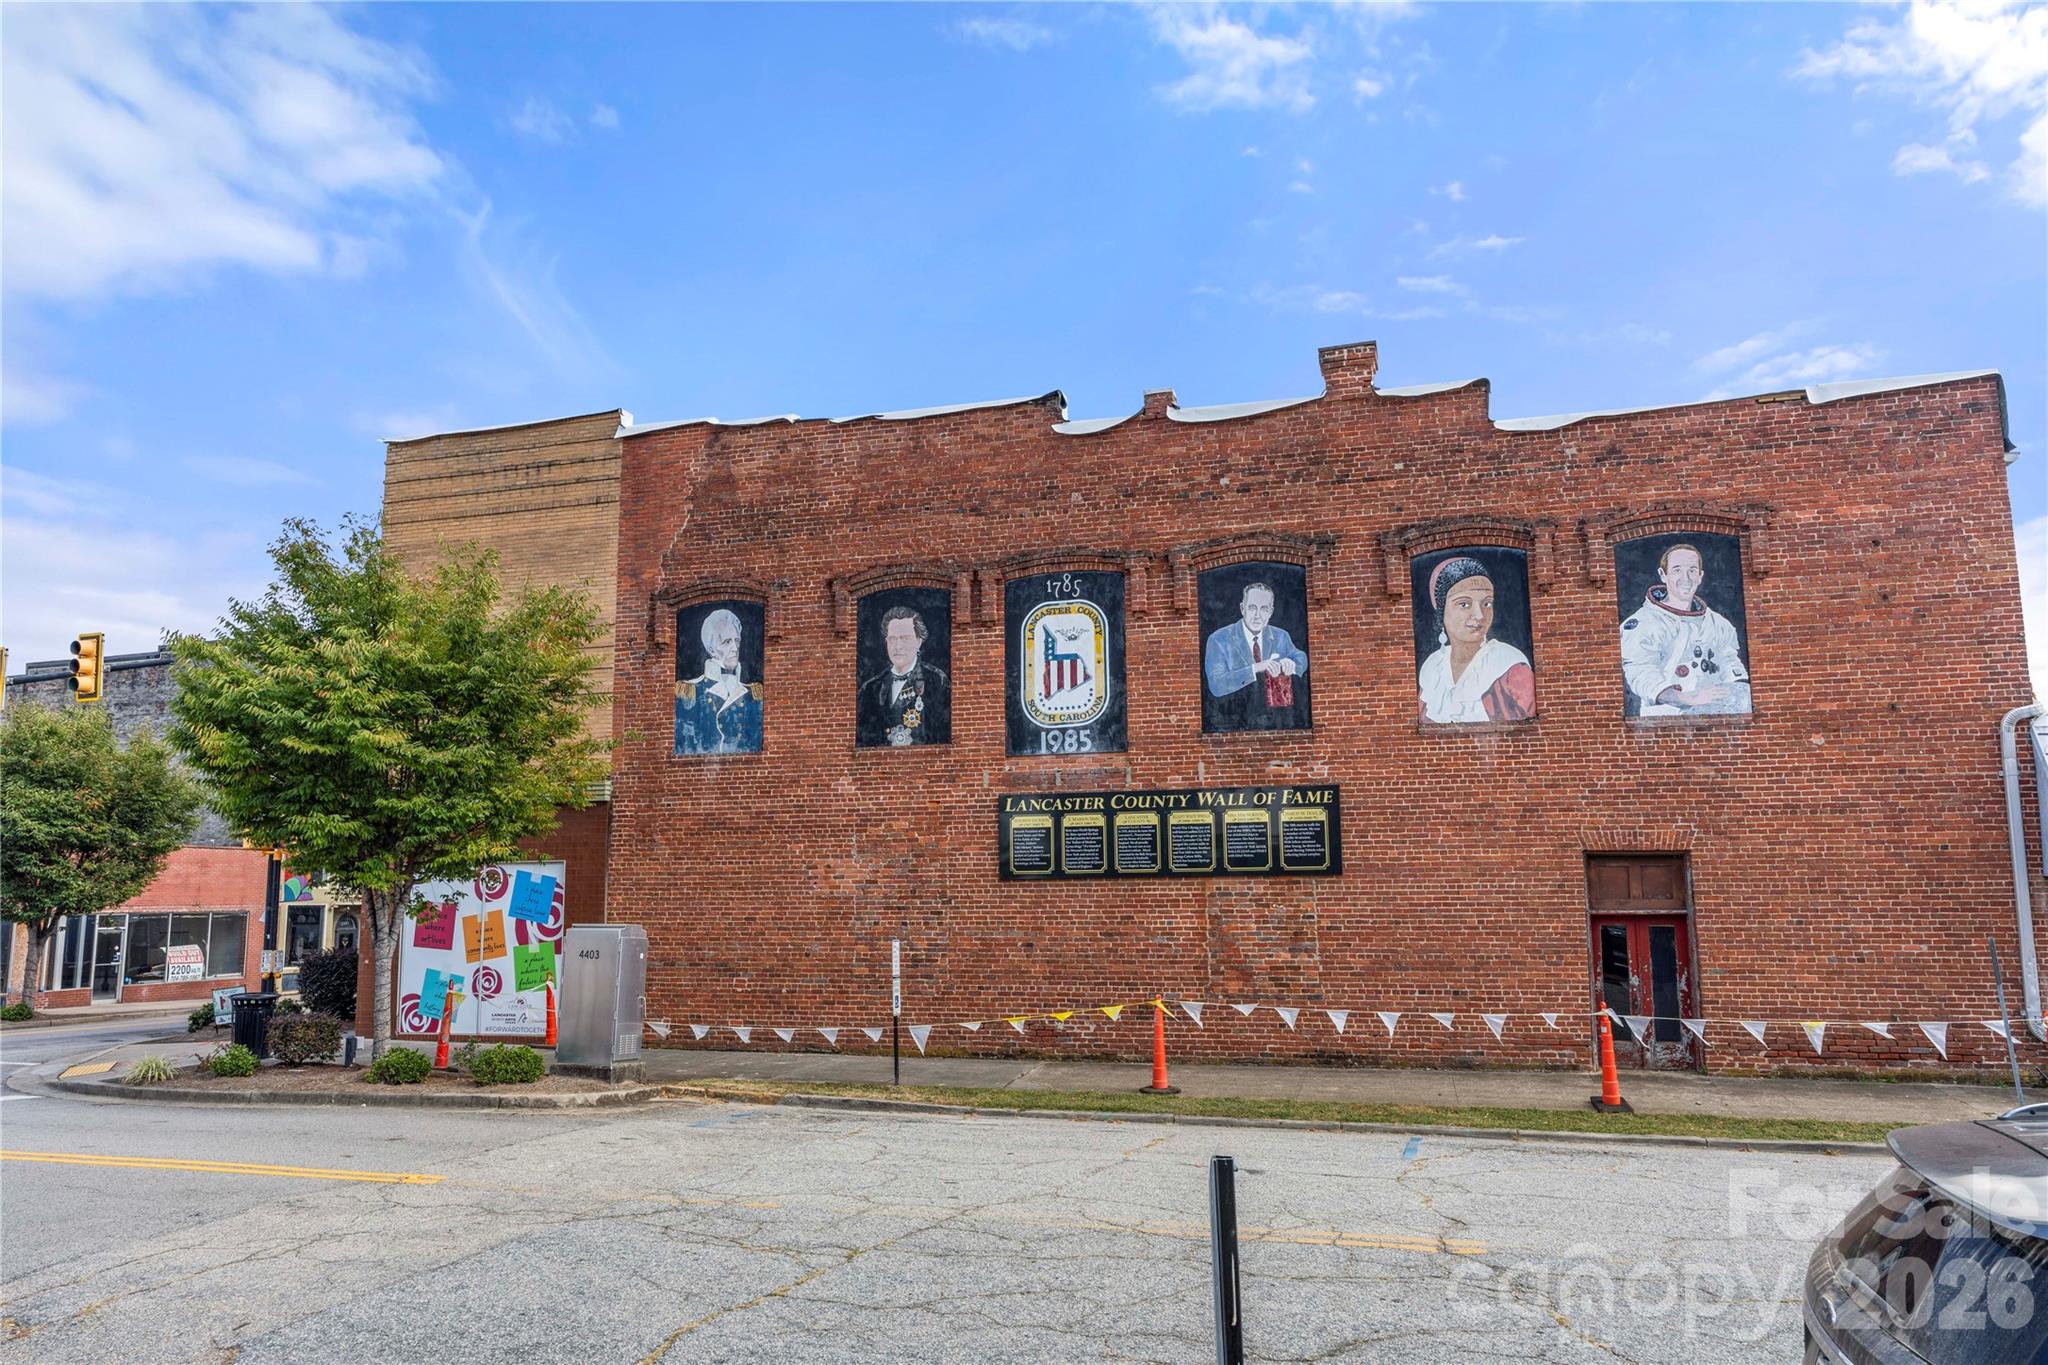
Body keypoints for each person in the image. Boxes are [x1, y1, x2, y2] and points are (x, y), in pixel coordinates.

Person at [1619, 543, 1751, 717]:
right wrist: (1688, 698)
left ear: (1700, 576)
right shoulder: (1643, 623)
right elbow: (1642, 674)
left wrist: (1738, 692)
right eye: (1676, 570)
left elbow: (1731, 666)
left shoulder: (1718, 624)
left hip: (1716, 716)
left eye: (1692, 570)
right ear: (1663, 575)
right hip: (1665, 720)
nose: (1686, 578)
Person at [1416, 556, 1536, 723]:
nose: (1479, 615)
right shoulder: (1432, 669)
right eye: (1464, 604)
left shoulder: (1510, 666)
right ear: (1441, 611)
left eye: (1487, 604)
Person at [1203, 581, 1308, 729]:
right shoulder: (1219, 639)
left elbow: (1301, 658)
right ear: (1242, 609)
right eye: (1252, 608)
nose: (1258, 615)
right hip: (1231, 725)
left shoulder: (1281, 636)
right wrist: (1256, 667)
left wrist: (1292, 663)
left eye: (1264, 609)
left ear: (1271, 611)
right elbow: (1216, 684)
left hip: (1276, 724)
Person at [859, 605, 950, 746]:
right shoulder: (871, 688)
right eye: (892, 639)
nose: (898, 646)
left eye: (905, 638)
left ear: (918, 641)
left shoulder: (936, 681)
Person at [675, 607, 763, 753]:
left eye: (737, 641)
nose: (735, 648)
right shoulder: (688, 691)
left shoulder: (754, 694)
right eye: (727, 642)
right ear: (711, 649)